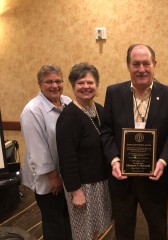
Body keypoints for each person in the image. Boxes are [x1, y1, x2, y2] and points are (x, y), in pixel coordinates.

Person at [100, 44, 168, 240]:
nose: (141, 69)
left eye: (146, 63)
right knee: (123, 231)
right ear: (128, 66)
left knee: (158, 229)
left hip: (156, 178)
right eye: (136, 64)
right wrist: (114, 161)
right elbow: (106, 131)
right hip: (122, 179)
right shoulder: (114, 92)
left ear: (155, 64)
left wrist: (163, 161)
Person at [56, 62, 113, 240]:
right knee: (83, 233)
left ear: (97, 85)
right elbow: (67, 158)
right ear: (73, 86)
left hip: (100, 183)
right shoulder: (69, 117)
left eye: (90, 83)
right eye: (81, 83)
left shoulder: (100, 110)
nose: (86, 87)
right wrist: (75, 191)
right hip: (82, 186)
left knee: (98, 230)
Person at [20, 64, 72, 240]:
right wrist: (53, 177)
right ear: (40, 84)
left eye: (58, 81)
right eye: (49, 82)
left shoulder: (67, 102)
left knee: (67, 218)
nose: (54, 86)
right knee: (54, 221)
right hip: (49, 179)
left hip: (66, 175)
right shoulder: (32, 111)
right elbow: (37, 150)